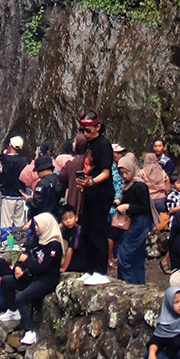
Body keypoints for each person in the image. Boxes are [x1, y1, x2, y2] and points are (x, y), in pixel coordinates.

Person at [13, 212, 64, 345]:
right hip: (34, 276)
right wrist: (18, 267)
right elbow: (24, 254)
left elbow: (43, 268)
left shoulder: (54, 246)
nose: (35, 228)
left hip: (47, 280)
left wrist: (27, 261)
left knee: (21, 298)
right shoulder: (37, 240)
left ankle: (30, 331)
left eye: (37, 225)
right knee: (7, 281)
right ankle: (12, 311)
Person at [77, 111, 115, 274]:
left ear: (98, 127)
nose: (85, 134)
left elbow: (106, 173)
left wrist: (91, 182)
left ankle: (100, 272)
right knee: (85, 231)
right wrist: (83, 183)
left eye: (88, 130)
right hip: (90, 192)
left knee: (97, 232)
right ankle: (89, 269)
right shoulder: (89, 144)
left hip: (101, 194)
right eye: (83, 131)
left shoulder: (104, 145)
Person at [113, 157, 153, 285]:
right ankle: (138, 285)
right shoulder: (128, 185)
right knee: (137, 256)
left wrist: (127, 206)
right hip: (135, 221)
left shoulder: (139, 185)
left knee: (125, 255)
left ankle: (128, 285)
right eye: (122, 173)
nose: (124, 176)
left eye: (127, 172)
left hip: (140, 222)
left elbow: (144, 207)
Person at [0, 137, 28, 236]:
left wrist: (3, 156)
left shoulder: (5, 159)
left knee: (7, 223)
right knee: (19, 222)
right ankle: (18, 244)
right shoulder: (23, 160)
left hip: (8, 195)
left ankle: (8, 245)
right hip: (20, 195)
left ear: (10, 145)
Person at [26, 157, 62, 222]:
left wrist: (28, 200)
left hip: (42, 218)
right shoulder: (58, 180)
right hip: (56, 217)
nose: (37, 174)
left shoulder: (42, 183)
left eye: (38, 171)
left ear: (42, 170)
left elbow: (36, 203)